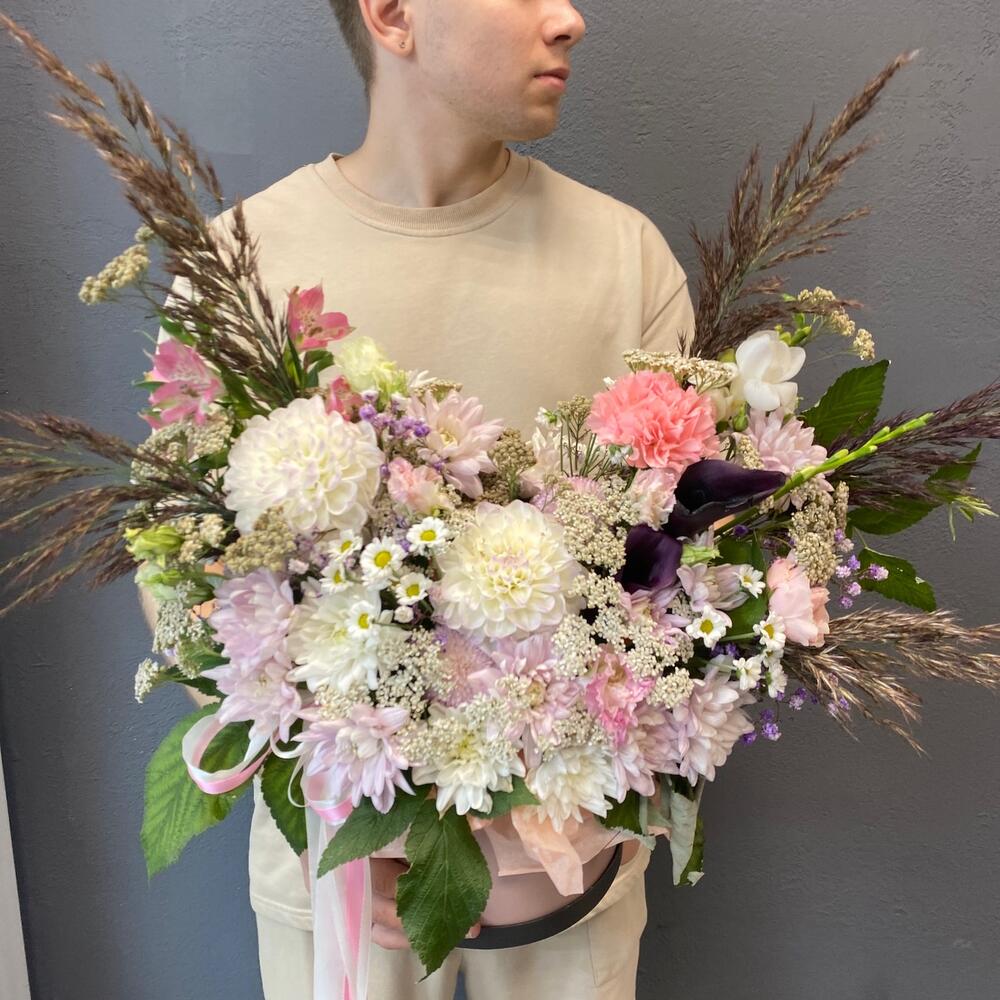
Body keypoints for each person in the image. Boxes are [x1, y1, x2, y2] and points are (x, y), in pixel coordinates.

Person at [140, 1, 696, 996]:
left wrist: (539, 800)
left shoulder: (624, 259)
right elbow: (180, 574)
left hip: (565, 862)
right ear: (393, 14)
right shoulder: (243, 264)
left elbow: (696, 576)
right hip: (343, 873)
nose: (569, 19)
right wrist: (360, 799)